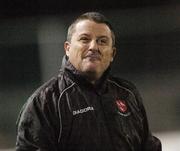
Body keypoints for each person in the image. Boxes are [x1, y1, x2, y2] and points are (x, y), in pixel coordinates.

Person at [16, 12, 161, 151]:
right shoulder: (44, 103)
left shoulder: (127, 94)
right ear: (67, 48)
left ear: (112, 54)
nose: (93, 47)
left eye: (102, 41)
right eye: (85, 39)